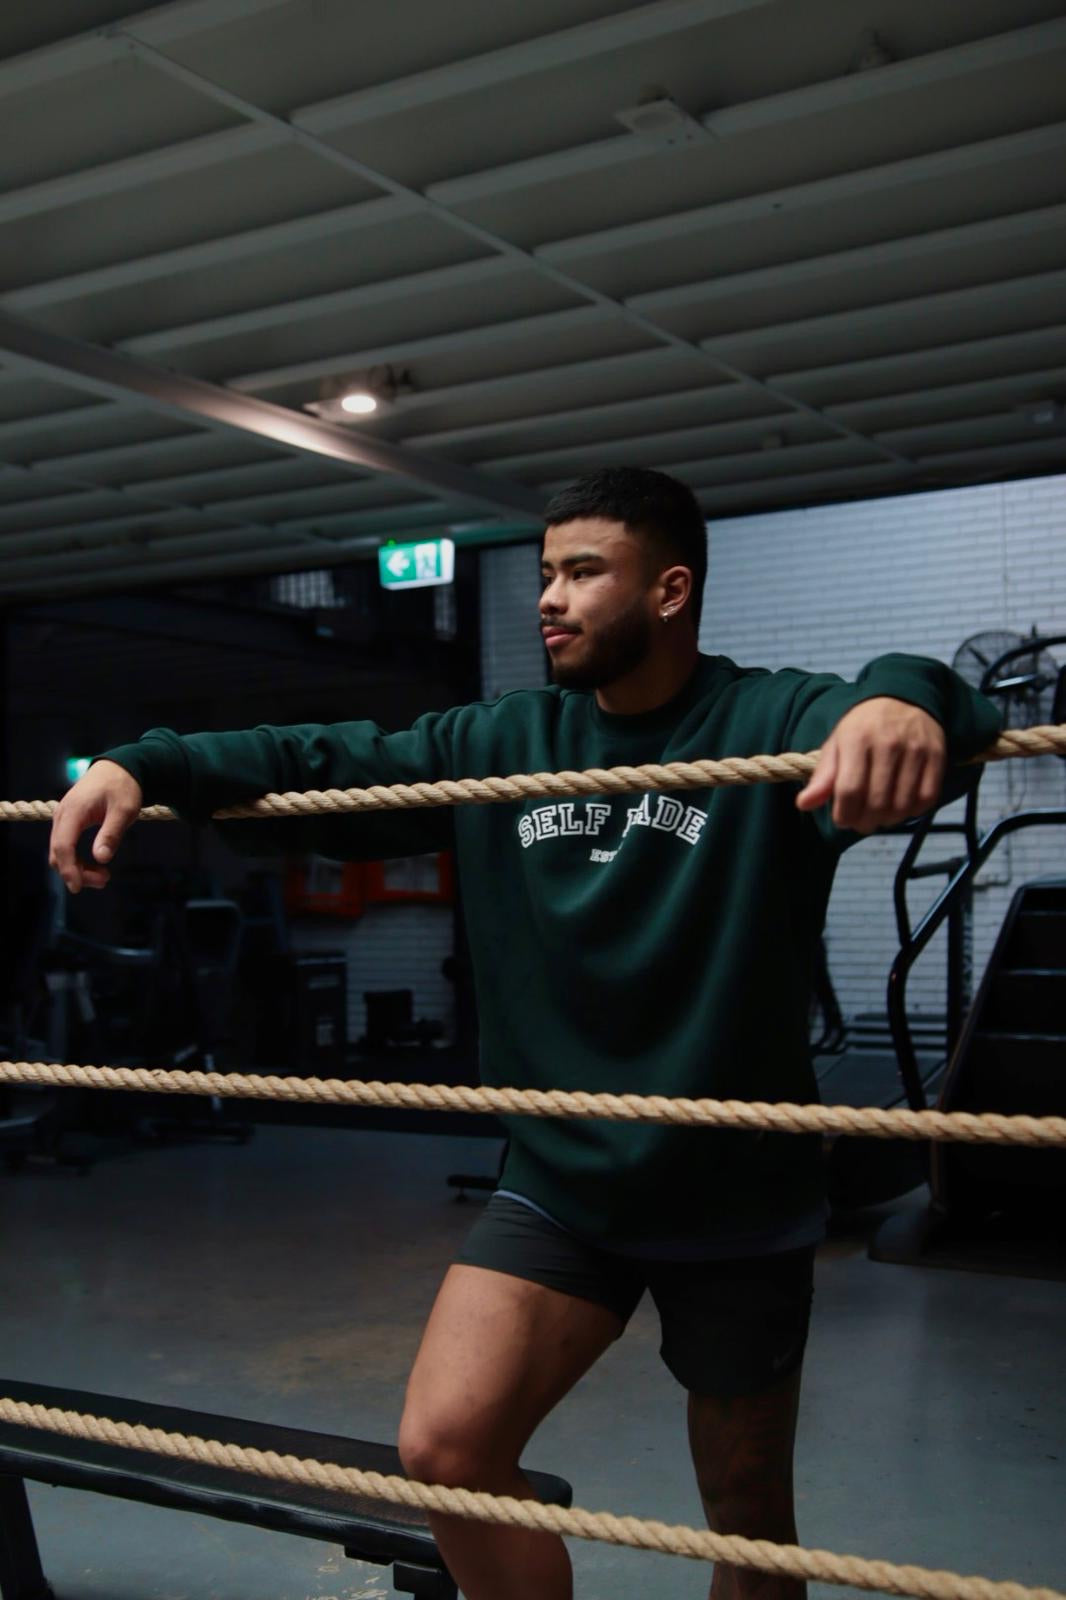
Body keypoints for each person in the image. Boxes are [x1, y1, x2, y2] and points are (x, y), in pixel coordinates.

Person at [50, 467, 1000, 1600]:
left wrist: (896, 701)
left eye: (582, 572)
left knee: (749, 1524)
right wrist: (139, 763)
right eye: (543, 573)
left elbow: (926, 697)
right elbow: (323, 760)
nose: (546, 598)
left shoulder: (767, 721)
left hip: (733, 1189)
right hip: (561, 1182)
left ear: (669, 589)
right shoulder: (506, 740)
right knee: (445, 1453)